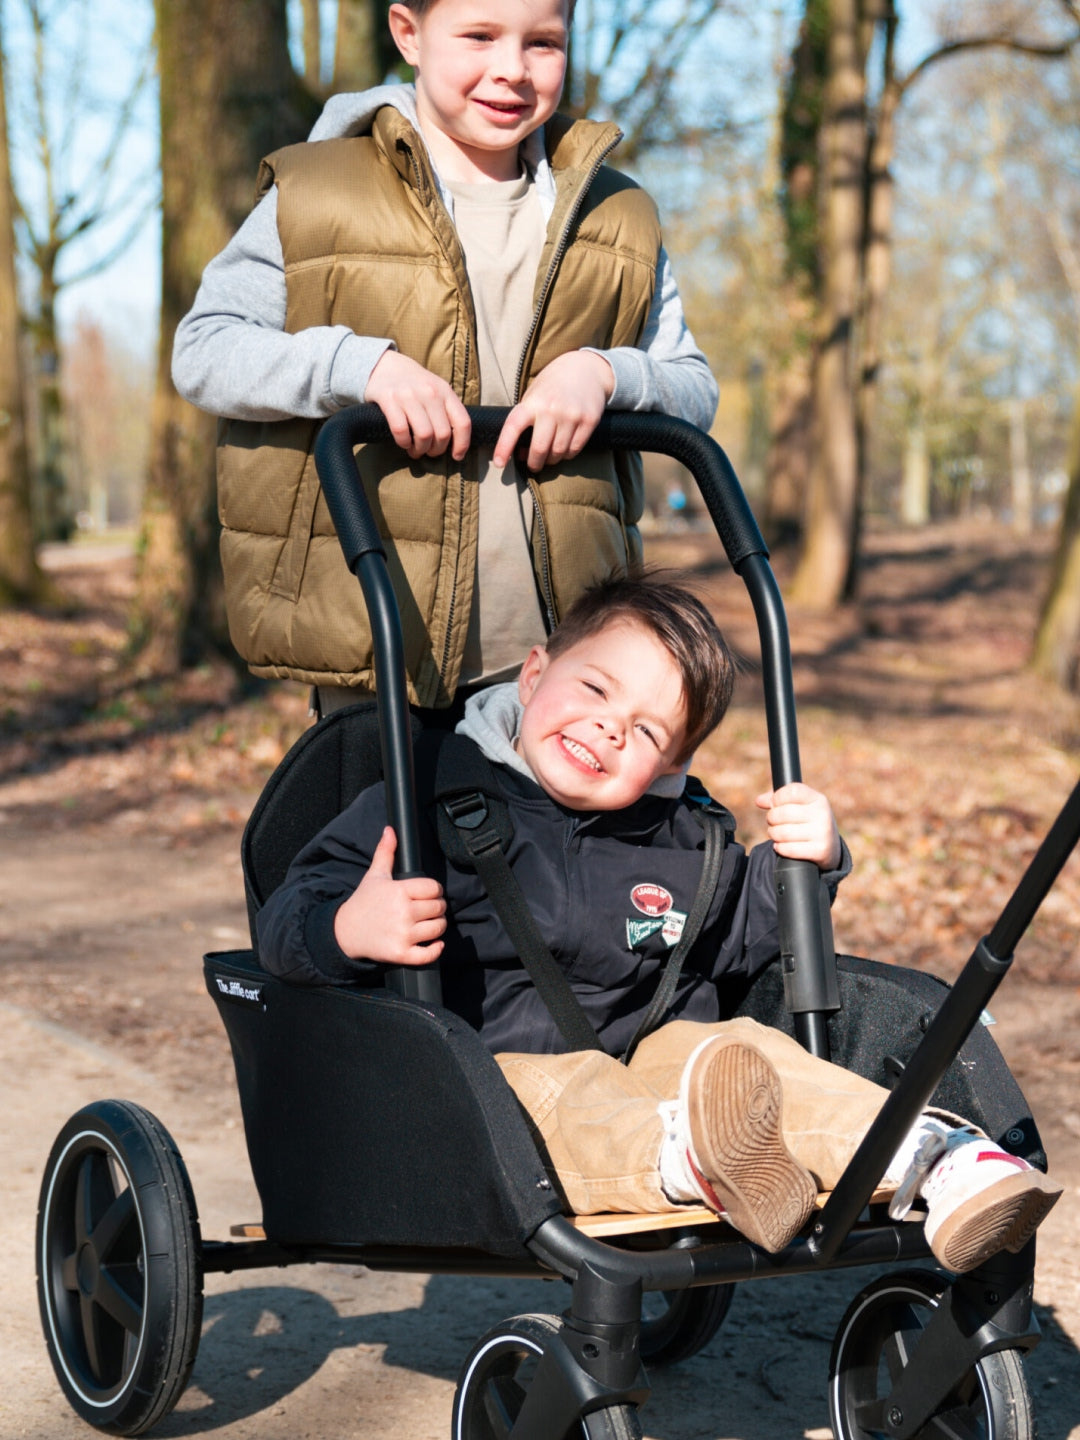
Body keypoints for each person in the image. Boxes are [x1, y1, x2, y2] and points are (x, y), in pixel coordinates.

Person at [256, 573, 1062, 1271]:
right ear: (534, 675)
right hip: (487, 1076)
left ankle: (938, 1155)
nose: (611, 726)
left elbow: (741, 941)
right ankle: (693, 1161)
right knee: (570, 1094)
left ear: (672, 765)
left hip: (653, 1052)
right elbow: (288, 920)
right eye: (595, 690)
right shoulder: (423, 797)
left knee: (746, 1051)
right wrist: (349, 929)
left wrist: (809, 865)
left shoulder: (680, 839)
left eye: (646, 730)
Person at [171, 0, 717, 720]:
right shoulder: (316, 193)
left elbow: (693, 387)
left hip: (570, 657)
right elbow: (206, 349)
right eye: (479, 36)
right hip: (378, 642)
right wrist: (358, 367)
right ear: (409, 34)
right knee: (382, 799)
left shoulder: (617, 215)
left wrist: (606, 373)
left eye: (543, 42)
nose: (511, 69)